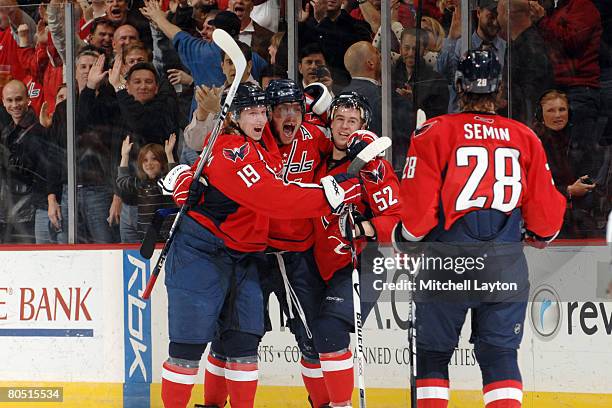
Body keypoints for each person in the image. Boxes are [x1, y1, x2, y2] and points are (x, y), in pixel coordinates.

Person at [159, 82, 361, 408]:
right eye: (252, 111)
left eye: (261, 111)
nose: (261, 117)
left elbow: (334, 128)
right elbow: (274, 199)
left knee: (243, 341)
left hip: (247, 255)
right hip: (204, 253)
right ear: (236, 116)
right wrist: (329, 196)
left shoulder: (267, 140)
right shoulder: (233, 148)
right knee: (189, 347)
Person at [393, 50, 566, 407]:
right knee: (500, 355)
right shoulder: (524, 136)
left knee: (433, 355)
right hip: (504, 262)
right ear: (499, 90)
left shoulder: (433, 131)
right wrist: (538, 235)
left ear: (459, 85)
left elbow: (417, 214)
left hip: (446, 261)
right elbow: (546, 219)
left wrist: (405, 239)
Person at [309, 93, 401, 408]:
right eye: (340, 119)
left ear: (363, 127)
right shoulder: (318, 159)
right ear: (330, 123)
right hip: (322, 262)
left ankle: (340, 405)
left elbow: (396, 221)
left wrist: (364, 228)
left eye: (353, 121)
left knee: (329, 328)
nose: (345, 127)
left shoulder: (373, 167)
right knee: (314, 337)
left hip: (363, 262)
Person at [532, 89, 602, 237]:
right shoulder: (534, 143)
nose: (557, 115)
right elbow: (534, 190)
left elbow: (591, 171)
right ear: (540, 115)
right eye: (551, 110)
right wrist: (568, 191)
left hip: (579, 213)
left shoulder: (580, 139)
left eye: (562, 109)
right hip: (546, 215)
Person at [0, 80, 49, 243]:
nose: (15, 105)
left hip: (30, 212)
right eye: (10, 100)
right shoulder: (7, 131)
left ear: (28, 99)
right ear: (3, 102)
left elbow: (33, 170)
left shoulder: (38, 128)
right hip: (7, 213)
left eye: (19, 99)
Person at [116, 134, 177, 241]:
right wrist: (125, 156)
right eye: (145, 160)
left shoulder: (164, 182)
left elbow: (175, 178)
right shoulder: (141, 184)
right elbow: (122, 182)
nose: (149, 163)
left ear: (162, 162)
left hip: (167, 239)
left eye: (154, 159)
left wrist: (169, 154)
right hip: (146, 239)